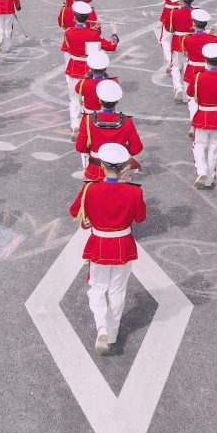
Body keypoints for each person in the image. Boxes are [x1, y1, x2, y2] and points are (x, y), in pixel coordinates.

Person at [69, 143, 146, 354]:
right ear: (123, 168)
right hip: (123, 244)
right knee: (117, 289)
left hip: (99, 244)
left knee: (97, 288)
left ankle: (101, 328)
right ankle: (112, 333)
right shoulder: (134, 192)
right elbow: (140, 217)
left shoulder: (89, 189)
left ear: (102, 166)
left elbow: (75, 212)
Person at [62, 2, 119, 129]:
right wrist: (114, 31)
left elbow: (70, 47)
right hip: (91, 68)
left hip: (74, 68)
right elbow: (112, 45)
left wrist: (93, 30)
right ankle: (92, 124)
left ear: (74, 17)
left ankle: (75, 123)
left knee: (74, 98)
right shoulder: (93, 34)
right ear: (87, 17)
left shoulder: (68, 32)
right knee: (92, 98)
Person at [74, 81, 143, 182]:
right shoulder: (127, 121)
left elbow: (80, 147)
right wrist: (120, 152)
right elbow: (137, 147)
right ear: (117, 101)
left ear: (99, 100)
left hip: (95, 170)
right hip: (119, 170)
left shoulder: (88, 120)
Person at [188, 43, 217, 188]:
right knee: (214, 147)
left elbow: (190, 93)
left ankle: (201, 171)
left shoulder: (197, 77)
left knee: (199, 145)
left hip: (202, 115)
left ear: (206, 60)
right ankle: (209, 179)